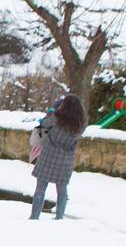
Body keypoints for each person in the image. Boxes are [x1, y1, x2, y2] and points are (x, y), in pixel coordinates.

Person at [30, 92, 86, 220]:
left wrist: (50, 113)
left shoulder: (56, 117)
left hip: (49, 156)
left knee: (40, 189)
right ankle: (59, 217)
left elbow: (43, 124)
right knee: (62, 190)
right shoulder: (82, 124)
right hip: (66, 160)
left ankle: (34, 217)